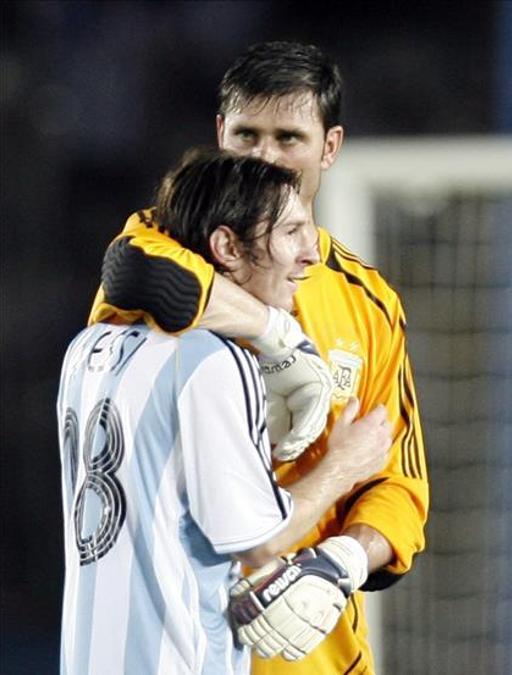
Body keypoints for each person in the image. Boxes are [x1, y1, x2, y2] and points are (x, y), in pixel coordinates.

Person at [86, 42, 428, 674]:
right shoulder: (160, 244)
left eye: (288, 137)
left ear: (330, 147)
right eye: (247, 134)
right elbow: (134, 278)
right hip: (181, 641)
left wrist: (342, 561)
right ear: (220, 135)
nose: (265, 156)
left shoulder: (369, 304)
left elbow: (400, 486)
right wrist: (279, 337)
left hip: (314, 653)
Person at [58, 150, 392, 674]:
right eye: (290, 233)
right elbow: (261, 545)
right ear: (227, 247)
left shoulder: (87, 350)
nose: (310, 254)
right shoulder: (211, 361)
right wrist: (343, 467)